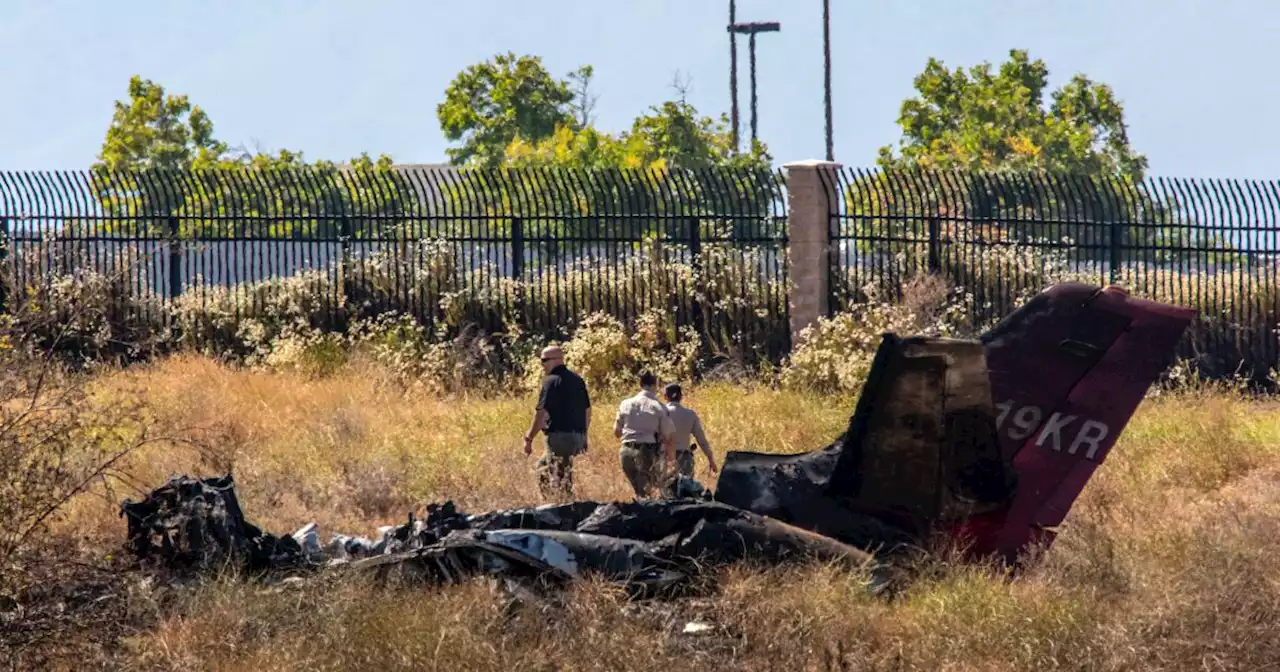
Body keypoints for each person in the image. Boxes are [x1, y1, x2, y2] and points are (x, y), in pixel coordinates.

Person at [523, 345, 591, 500]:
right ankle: (556, 503)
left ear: (557, 360)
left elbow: (541, 413)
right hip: (577, 437)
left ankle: (560, 507)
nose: (542, 364)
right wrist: (584, 435)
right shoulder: (578, 380)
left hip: (559, 438)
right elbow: (587, 410)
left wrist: (529, 438)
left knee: (556, 475)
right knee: (548, 469)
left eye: (544, 360)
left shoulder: (550, 382)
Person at [613, 370, 676, 498]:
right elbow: (668, 435)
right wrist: (672, 459)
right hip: (646, 451)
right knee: (647, 493)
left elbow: (617, 432)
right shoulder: (659, 407)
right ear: (655, 385)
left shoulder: (625, 404)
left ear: (640, 384)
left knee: (639, 491)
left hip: (625, 451)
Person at [662, 383, 718, 479]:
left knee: (666, 490)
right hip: (685, 459)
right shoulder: (690, 414)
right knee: (686, 489)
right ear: (681, 397)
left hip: (665, 458)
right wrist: (710, 459)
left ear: (665, 396)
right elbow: (701, 440)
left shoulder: (661, 413)